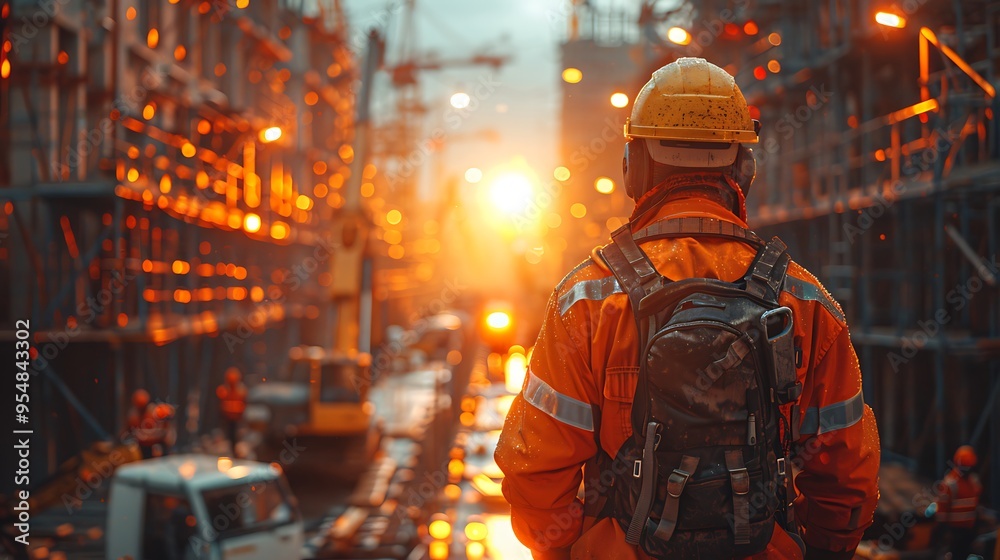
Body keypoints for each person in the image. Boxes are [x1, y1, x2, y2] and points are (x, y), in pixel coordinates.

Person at [495, 58, 880, 560]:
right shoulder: (804, 302)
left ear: (633, 169)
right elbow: (847, 479)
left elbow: (534, 470)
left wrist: (567, 551)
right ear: (745, 168)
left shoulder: (587, 301)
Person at [934, 445, 981, 560]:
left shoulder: (973, 482)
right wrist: (944, 531)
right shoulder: (950, 484)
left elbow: (976, 503)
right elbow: (942, 511)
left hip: (969, 530)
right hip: (954, 531)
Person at [216, 367, 247, 455]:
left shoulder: (241, 390)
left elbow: (244, 403)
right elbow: (220, 403)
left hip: (237, 420)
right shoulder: (224, 390)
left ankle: (235, 452)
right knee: (227, 436)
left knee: (236, 436)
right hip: (225, 419)